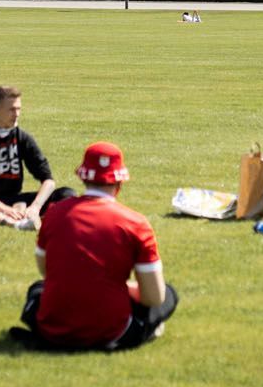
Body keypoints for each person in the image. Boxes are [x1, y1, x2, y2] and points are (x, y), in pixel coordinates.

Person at [13, 141, 178, 350]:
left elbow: (46, 271)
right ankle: (148, 328)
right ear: (119, 184)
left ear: (83, 177)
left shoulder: (55, 213)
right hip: (111, 329)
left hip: (55, 328)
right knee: (168, 294)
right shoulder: (136, 223)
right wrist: (124, 288)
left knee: (37, 289)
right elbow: (154, 296)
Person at [0, 86, 74, 230]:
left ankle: (29, 215)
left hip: (16, 199)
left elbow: (48, 180)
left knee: (67, 194)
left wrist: (35, 207)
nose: (17, 114)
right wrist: (4, 209)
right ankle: (15, 223)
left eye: (19, 109)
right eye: (12, 109)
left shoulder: (22, 137)